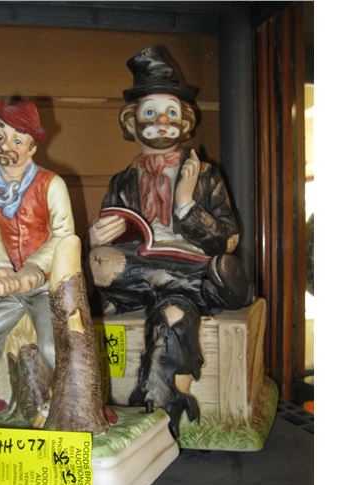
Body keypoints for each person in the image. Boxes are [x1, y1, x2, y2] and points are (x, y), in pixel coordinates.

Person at [87, 46, 251, 436]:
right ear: (132, 122)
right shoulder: (122, 181)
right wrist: (96, 238)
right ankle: (180, 291)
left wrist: (186, 206)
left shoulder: (205, 175)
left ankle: (155, 417)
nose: (162, 122)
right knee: (103, 264)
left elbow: (228, 240)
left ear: (185, 121)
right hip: (153, 273)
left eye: (171, 113)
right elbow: (112, 240)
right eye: (150, 113)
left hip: (191, 268)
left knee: (174, 311)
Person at [0, 99, 74, 415]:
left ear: (32, 147)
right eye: (0, 137)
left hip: (46, 286)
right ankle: (5, 392)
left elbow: (64, 234)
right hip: (10, 289)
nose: (6, 145)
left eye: (17, 140)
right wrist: (1, 268)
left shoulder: (51, 185)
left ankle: (70, 400)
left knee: (52, 345)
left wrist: (36, 266)